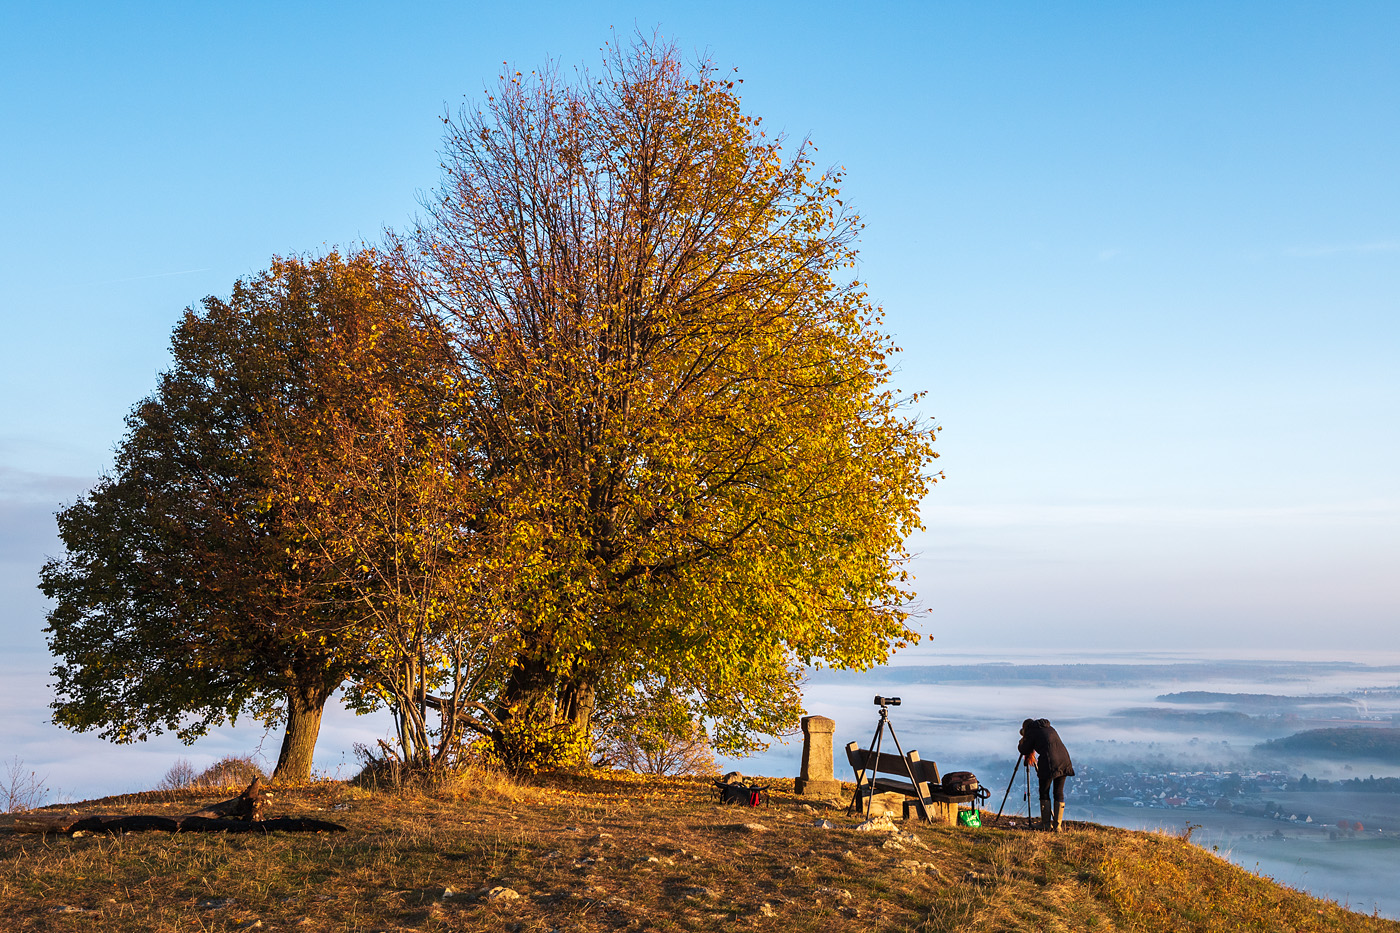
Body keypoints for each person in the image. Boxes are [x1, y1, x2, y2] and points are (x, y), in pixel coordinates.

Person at [1018, 718, 1074, 831]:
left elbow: (1024, 749)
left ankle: (1046, 824)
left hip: (1049, 761)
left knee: (1044, 791)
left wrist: (1021, 742)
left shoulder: (1032, 731)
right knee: (1058, 792)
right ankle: (1057, 826)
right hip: (1064, 759)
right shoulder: (1048, 728)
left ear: (1026, 728)